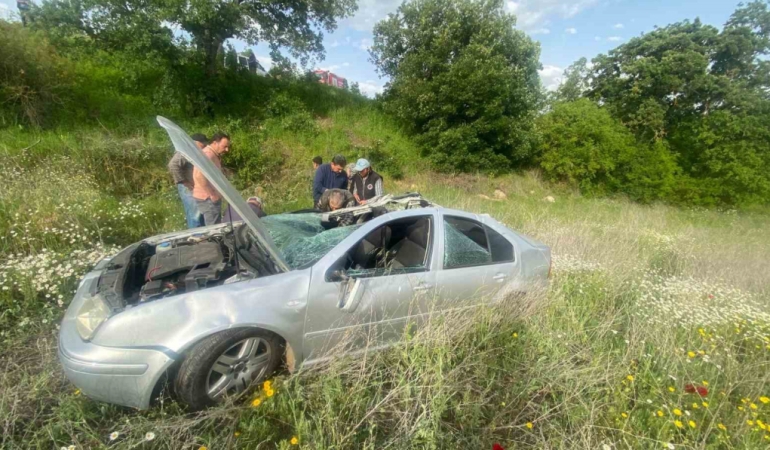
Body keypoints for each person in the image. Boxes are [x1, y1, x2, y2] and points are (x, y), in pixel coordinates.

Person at [169, 133, 208, 228]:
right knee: (195, 215)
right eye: (202, 144)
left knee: (200, 213)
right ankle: (195, 237)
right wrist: (183, 181)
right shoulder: (185, 151)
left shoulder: (193, 152)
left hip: (193, 186)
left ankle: (201, 236)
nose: (204, 146)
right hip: (187, 187)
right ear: (195, 142)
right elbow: (173, 165)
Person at [192, 132, 231, 226]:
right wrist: (212, 194)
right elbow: (199, 175)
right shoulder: (208, 155)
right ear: (214, 143)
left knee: (208, 226)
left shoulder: (211, 154)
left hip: (206, 197)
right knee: (213, 229)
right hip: (208, 198)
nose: (227, 150)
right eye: (224, 146)